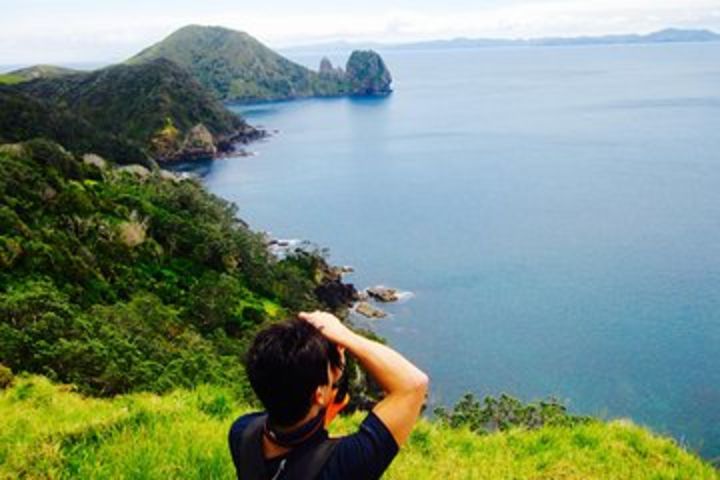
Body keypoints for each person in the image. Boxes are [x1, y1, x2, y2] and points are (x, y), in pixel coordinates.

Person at [229, 310, 429, 479]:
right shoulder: (345, 463)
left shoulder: (242, 433)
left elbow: (299, 427)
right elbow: (412, 384)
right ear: (319, 395)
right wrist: (346, 336)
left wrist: (327, 375)